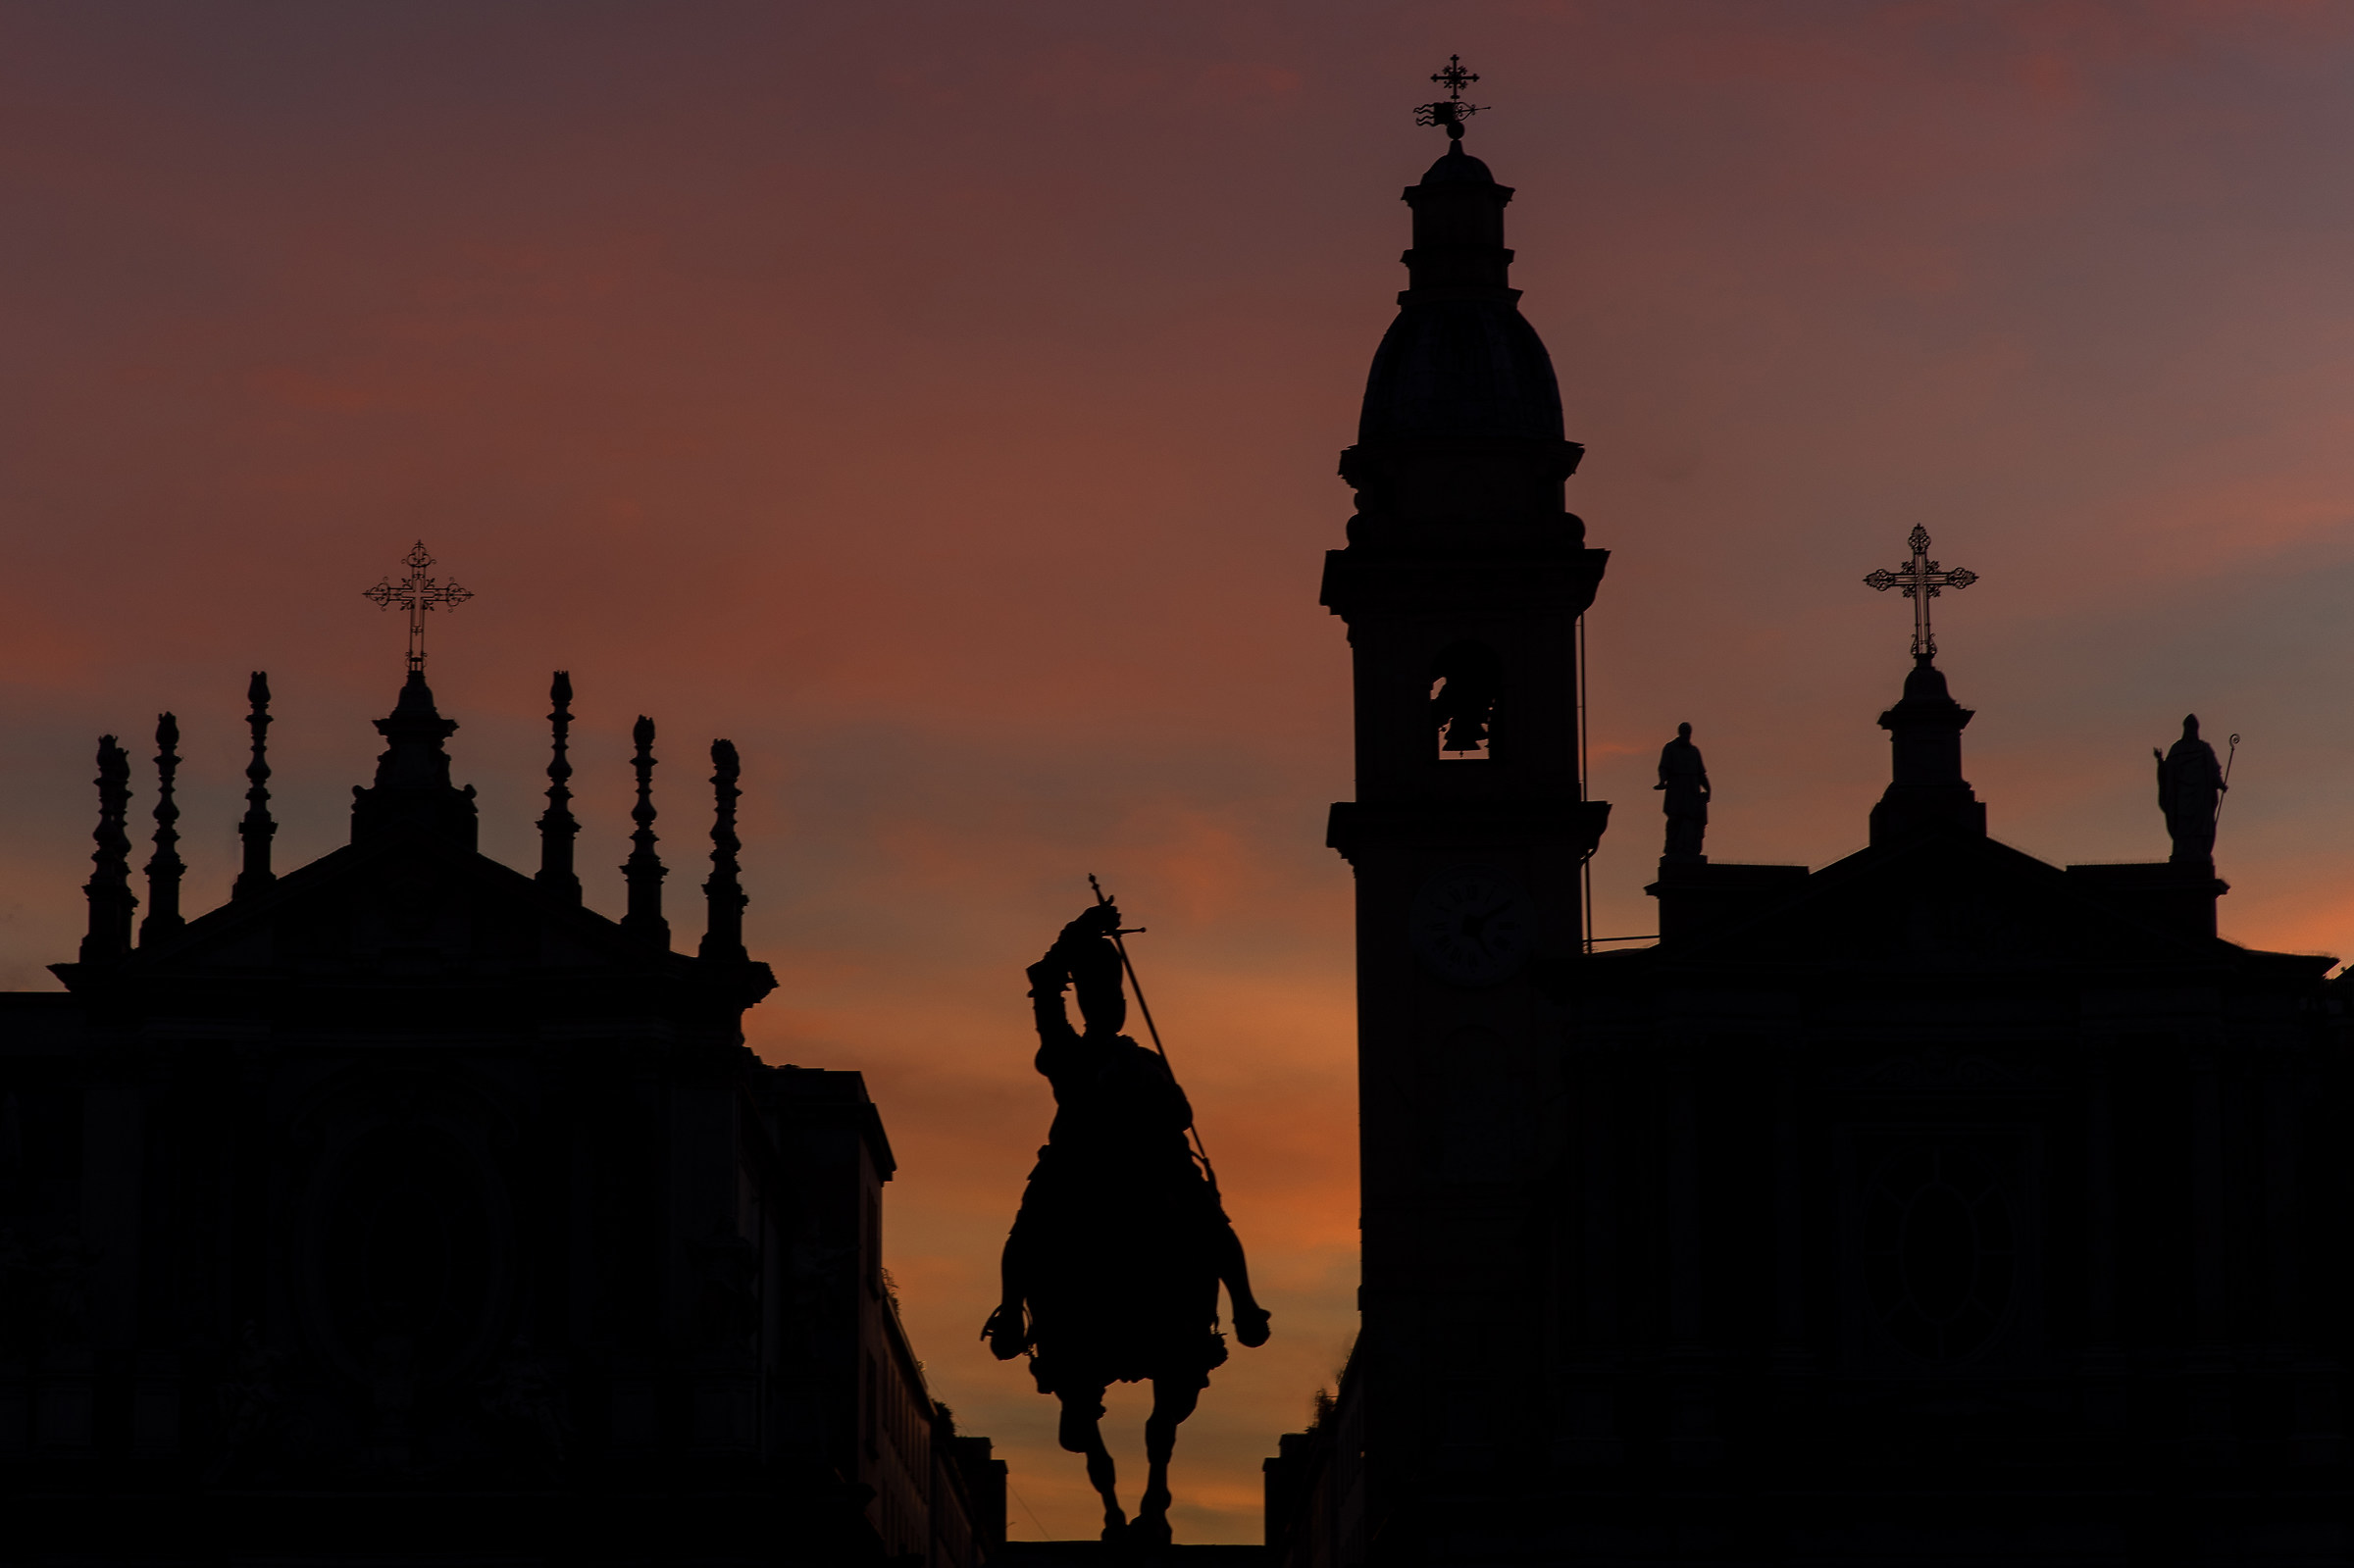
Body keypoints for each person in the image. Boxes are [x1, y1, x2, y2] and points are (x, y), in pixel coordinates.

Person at [983, 902, 1268, 1543]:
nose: (1107, 1004)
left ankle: (1245, 1306)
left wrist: (1159, 1105)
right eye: (1096, 994)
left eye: (1113, 995)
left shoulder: (1147, 1060)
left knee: (1208, 1218)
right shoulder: (1066, 1051)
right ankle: (1011, 1312)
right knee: (1029, 1228)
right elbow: (1043, 984)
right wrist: (1074, 937)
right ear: (1085, 1001)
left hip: (1154, 1161)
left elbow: (1181, 1112)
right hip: (1079, 1165)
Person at [2155, 714, 2226, 865]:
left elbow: (2213, 770)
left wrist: (2220, 784)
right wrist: (2160, 762)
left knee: (2200, 824)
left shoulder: (2204, 749)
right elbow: (2168, 772)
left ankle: (2199, 850)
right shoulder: (2177, 749)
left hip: (2200, 795)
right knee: (2183, 823)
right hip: (2182, 795)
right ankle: (2181, 850)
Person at [1656, 721, 1711, 861]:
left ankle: (1689, 848)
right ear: (1680, 733)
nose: (1686, 736)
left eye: (1688, 733)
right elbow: (1663, 768)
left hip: (1691, 791)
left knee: (1691, 821)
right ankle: (1671, 847)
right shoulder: (1670, 748)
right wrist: (1662, 781)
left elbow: (1701, 774)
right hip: (1676, 790)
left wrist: (1708, 788)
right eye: (1684, 733)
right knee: (1675, 819)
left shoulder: (1694, 752)